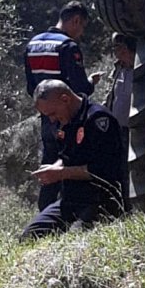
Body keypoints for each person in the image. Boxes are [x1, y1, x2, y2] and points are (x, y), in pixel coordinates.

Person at [20, 79, 124, 241]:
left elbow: (104, 170)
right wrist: (54, 168)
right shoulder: (64, 121)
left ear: (65, 99)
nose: (52, 120)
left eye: (52, 113)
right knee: (28, 237)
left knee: (74, 241)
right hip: (70, 200)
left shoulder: (97, 119)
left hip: (100, 200)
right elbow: (66, 157)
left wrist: (61, 173)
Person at [24, 1, 103, 209]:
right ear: (75, 20)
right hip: (66, 118)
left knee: (49, 160)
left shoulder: (32, 44)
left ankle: (45, 209)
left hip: (46, 117)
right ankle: (70, 210)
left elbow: (31, 88)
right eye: (82, 26)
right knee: (69, 161)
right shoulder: (68, 46)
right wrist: (91, 84)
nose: (81, 32)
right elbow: (79, 88)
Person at [104, 32, 137, 208]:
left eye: (118, 47)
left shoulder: (144, 69)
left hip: (135, 130)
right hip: (117, 128)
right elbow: (111, 96)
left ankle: (131, 205)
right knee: (117, 168)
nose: (116, 52)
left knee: (130, 169)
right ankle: (119, 205)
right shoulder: (118, 69)